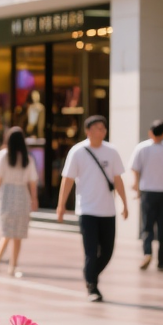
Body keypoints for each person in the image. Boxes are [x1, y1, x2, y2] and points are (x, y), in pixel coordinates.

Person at [56, 115, 128, 303]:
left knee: (107, 251)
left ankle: (90, 273)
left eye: (103, 128)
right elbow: (68, 179)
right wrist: (61, 205)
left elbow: (118, 180)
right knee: (90, 251)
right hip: (87, 210)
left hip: (108, 210)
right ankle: (92, 286)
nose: (101, 131)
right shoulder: (78, 151)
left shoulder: (112, 151)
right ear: (88, 131)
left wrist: (124, 204)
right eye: (97, 128)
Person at [129, 120, 163, 271]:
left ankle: (147, 252)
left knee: (147, 225)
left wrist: (136, 185)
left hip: (148, 191)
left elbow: (135, 168)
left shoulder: (142, 147)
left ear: (150, 131)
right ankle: (161, 262)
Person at [0, 126, 38, 277]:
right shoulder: (27, 158)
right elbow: (32, 182)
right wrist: (34, 199)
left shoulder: (3, 155)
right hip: (22, 194)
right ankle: (12, 266)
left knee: (7, 232)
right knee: (17, 234)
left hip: (6, 194)